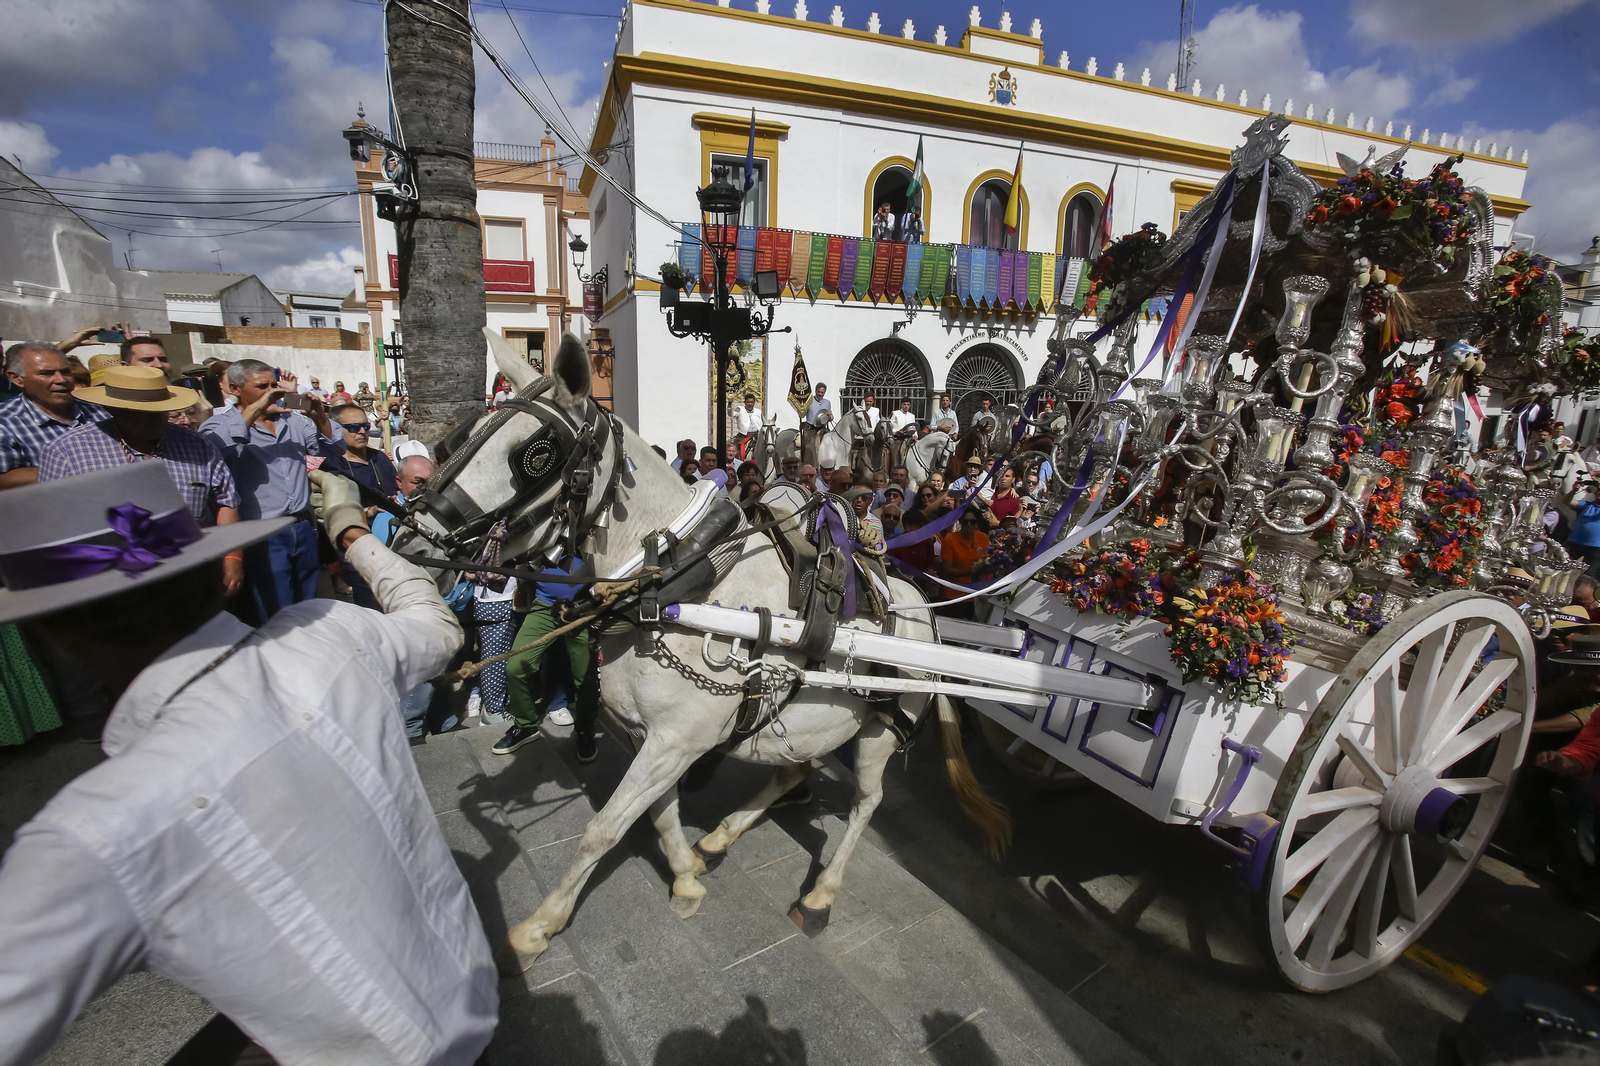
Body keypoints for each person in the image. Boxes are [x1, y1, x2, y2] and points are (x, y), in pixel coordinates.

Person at [0, 462, 497, 1065]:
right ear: (217, 573)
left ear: (56, 636)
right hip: (469, 1000)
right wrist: (349, 530)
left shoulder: (96, 830)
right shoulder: (329, 634)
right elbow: (436, 627)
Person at [38, 365, 242, 578]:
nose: (158, 419)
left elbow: (226, 502)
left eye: (161, 410)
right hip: (109, 579)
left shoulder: (197, 445)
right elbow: (52, 526)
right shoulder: (68, 452)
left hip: (192, 572)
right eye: (144, 413)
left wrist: (232, 557)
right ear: (113, 410)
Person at [201, 359, 344, 623]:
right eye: (261, 386)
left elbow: (334, 448)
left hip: (302, 527)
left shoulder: (293, 422)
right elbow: (213, 452)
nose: (271, 391)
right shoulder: (219, 424)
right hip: (261, 533)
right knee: (275, 613)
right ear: (235, 388)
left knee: (310, 609)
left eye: (273, 385)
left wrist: (319, 416)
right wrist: (256, 409)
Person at [497, 556, 599, 764]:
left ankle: (585, 730)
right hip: (544, 608)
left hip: (582, 608)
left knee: (586, 679)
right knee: (515, 668)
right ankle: (525, 725)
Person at [0, 342, 112, 490]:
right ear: (16, 378)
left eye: (66, 372)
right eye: (46, 373)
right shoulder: (5, 423)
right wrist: (72, 468)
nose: (61, 380)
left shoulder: (99, 410)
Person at [939, 508, 990, 602]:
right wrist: (968, 571)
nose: (969, 524)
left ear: (977, 524)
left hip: (977, 594)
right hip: (954, 594)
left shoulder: (984, 538)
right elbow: (946, 569)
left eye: (972, 522)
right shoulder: (949, 540)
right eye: (965, 521)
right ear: (960, 522)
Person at [802, 383, 833, 467]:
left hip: (822, 428)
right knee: (810, 446)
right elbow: (803, 414)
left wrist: (830, 416)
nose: (820, 394)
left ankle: (828, 465)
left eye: (822, 392)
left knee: (830, 443)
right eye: (819, 392)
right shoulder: (809, 401)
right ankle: (810, 466)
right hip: (810, 428)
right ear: (816, 391)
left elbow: (831, 416)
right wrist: (803, 408)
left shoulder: (827, 402)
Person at [733, 392, 763, 461]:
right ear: (745, 402)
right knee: (735, 450)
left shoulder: (758, 411)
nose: (750, 404)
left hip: (757, 435)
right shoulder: (740, 409)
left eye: (752, 402)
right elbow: (732, 414)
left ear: (754, 403)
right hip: (744, 436)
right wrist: (729, 406)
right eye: (748, 402)